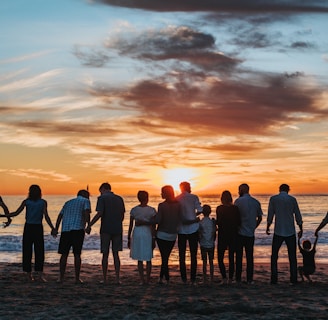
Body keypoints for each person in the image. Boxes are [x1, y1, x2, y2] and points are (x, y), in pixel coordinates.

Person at [6, 185, 55, 282]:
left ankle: (29, 274)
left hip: (29, 227)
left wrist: (5, 216)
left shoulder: (27, 202)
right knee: (39, 251)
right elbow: (46, 216)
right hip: (37, 227)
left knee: (27, 250)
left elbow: (15, 213)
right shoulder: (42, 202)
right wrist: (52, 227)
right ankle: (39, 275)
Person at [86, 182, 125, 284]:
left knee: (105, 254)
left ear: (103, 189)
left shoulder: (102, 198)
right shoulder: (119, 198)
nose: (100, 193)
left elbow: (99, 213)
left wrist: (89, 224)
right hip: (117, 228)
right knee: (116, 254)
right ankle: (117, 278)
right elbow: (122, 215)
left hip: (106, 228)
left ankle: (104, 278)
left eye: (100, 191)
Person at [266, 184, 303, 285]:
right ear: (288, 190)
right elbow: (297, 214)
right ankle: (293, 279)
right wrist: (300, 227)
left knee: (274, 256)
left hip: (278, 230)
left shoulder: (273, 199)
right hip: (290, 230)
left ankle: (274, 279)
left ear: (279, 189)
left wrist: (268, 225)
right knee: (292, 256)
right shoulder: (292, 199)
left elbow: (271, 214)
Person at [53, 189, 91, 284]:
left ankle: (61, 278)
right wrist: (88, 225)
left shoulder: (68, 202)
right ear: (85, 195)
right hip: (78, 229)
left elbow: (60, 216)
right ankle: (77, 278)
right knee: (77, 254)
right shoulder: (86, 201)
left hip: (66, 230)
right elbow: (87, 212)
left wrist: (56, 228)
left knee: (64, 254)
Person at [234, 183, 263, 284]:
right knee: (249, 257)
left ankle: (238, 278)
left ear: (242, 190)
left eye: (239, 190)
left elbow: (234, 216)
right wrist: (254, 226)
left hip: (240, 232)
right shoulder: (255, 202)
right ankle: (249, 279)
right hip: (250, 233)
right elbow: (260, 217)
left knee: (239, 257)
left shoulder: (238, 201)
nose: (238, 192)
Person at [127, 190, 156, 285]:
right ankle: (147, 279)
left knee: (140, 258)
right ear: (147, 198)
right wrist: (153, 237)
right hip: (147, 232)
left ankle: (142, 280)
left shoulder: (134, 210)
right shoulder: (151, 210)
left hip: (137, 232)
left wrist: (128, 238)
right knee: (148, 257)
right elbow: (153, 225)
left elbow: (131, 225)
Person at [176, 181, 203, 285]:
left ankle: (184, 279)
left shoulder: (177, 198)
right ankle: (192, 279)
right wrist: (193, 215)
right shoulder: (194, 197)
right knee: (193, 254)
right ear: (188, 187)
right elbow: (200, 210)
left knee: (181, 255)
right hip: (193, 229)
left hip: (181, 230)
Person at [155, 185, 182, 285]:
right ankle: (163, 278)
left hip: (162, 234)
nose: (161, 194)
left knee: (164, 257)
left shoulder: (162, 205)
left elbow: (158, 220)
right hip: (172, 235)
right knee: (165, 257)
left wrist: (149, 220)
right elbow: (180, 219)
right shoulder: (178, 205)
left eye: (162, 192)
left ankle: (165, 278)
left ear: (165, 193)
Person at [216, 191, 240, 284]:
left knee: (220, 257)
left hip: (223, 234)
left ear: (222, 198)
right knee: (231, 258)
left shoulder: (219, 208)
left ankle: (224, 278)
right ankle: (230, 278)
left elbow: (219, 222)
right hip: (233, 234)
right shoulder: (235, 208)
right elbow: (238, 222)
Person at [199, 204, 216, 284]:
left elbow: (199, 233)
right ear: (210, 212)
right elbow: (214, 232)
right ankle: (212, 278)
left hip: (203, 244)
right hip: (211, 244)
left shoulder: (201, 222)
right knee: (211, 261)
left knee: (204, 262)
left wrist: (200, 241)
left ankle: (205, 279)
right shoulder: (212, 222)